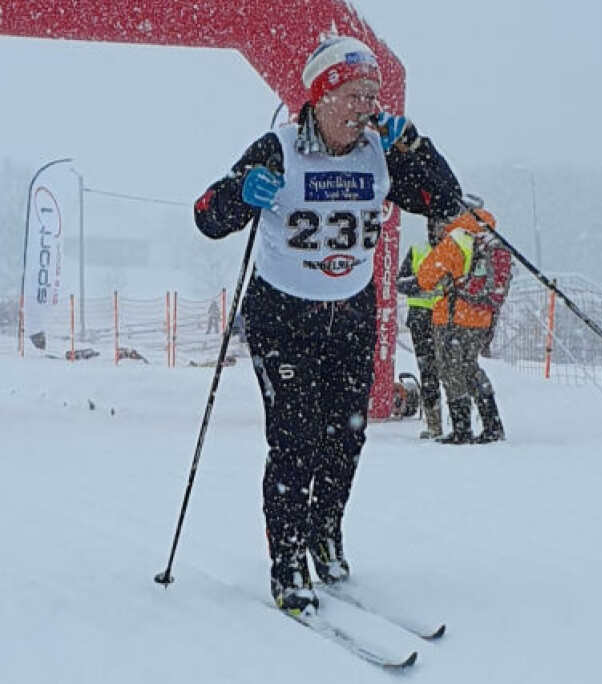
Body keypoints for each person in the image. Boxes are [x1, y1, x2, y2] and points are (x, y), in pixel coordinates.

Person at [193, 34, 462, 615]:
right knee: (295, 437)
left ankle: (324, 531)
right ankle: (288, 557)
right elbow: (209, 217)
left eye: (375, 93)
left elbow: (446, 199)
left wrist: (415, 146)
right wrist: (242, 192)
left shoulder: (381, 151)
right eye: (356, 92)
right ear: (321, 94)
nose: (368, 104)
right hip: (283, 314)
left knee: (345, 435)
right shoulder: (280, 148)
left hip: (351, 313)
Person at [417, 208, 510, 444]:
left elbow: (425, 277)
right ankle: (492, 424)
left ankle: (462, 429)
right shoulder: (492, 240)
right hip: (482, 318)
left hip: (454, 317)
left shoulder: (457, 240)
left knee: (451, 371)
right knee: (470, 367)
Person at [396, 220, 445, 439]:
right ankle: (434, 423)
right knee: (428, 373)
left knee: (452, 373)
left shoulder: (453, 250)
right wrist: (422, 283)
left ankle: (459, 421)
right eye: (436, 226)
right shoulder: (418, 249)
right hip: (421, 321)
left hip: (447, 320)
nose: (439, 230)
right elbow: (400, 282)